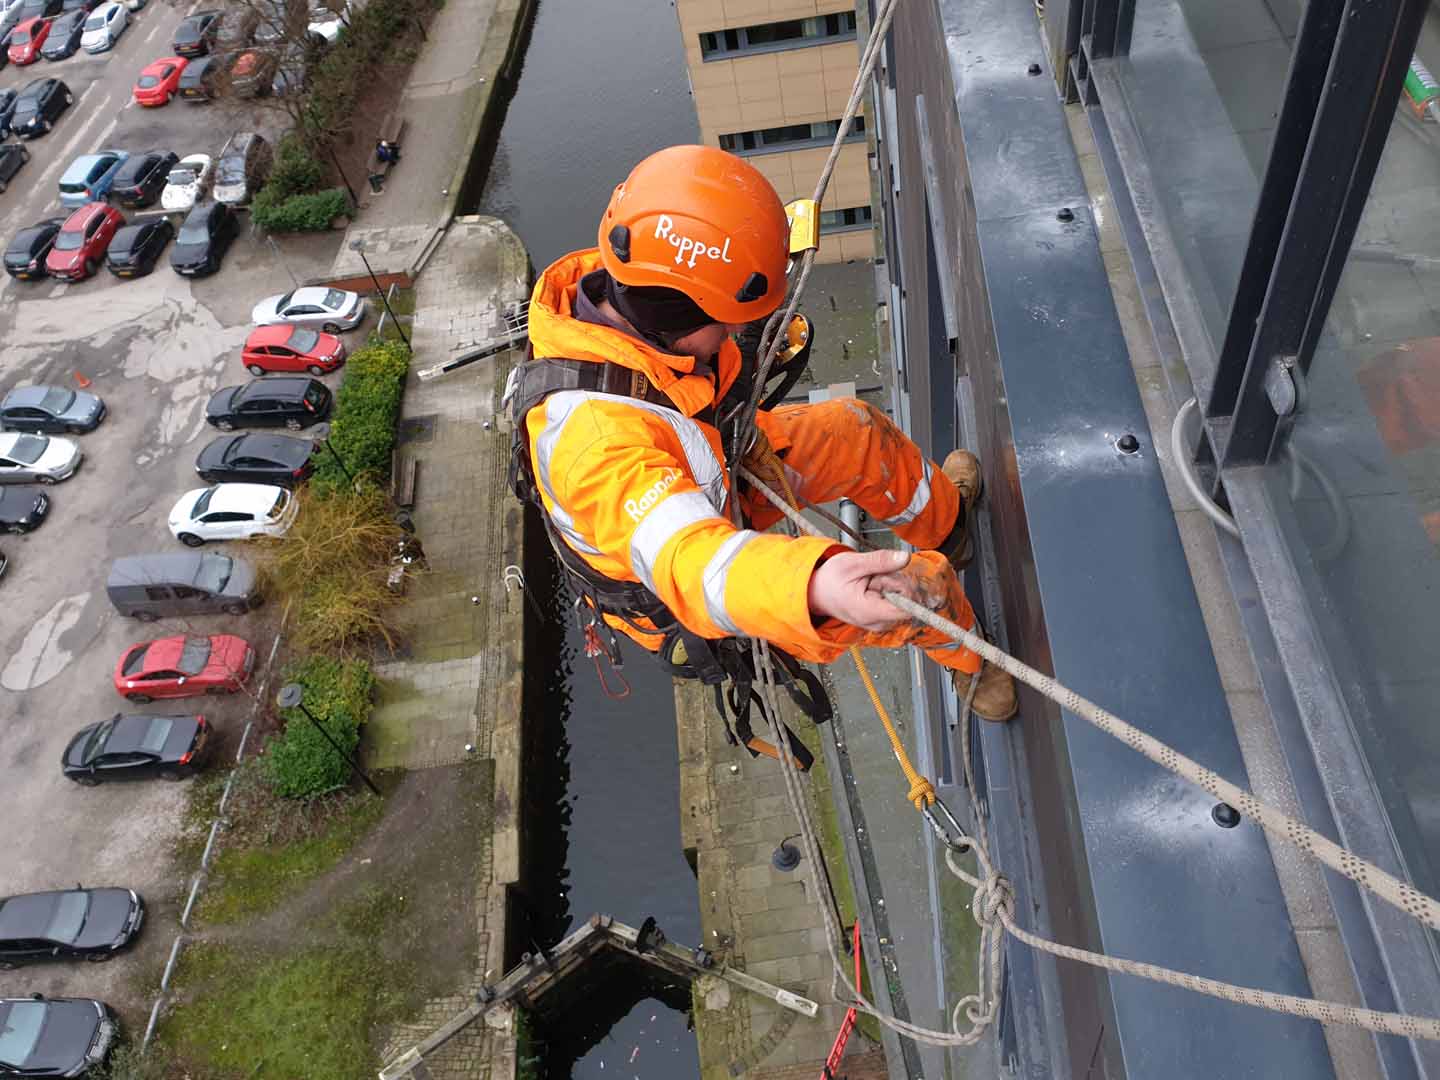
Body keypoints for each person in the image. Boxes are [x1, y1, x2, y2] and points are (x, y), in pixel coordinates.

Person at [507, 145, 1018, 722]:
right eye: (725, 324)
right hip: (700, 575)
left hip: (716, 470)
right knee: (913, 590)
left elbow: (688, 396)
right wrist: (813, 585)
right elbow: (691, 562)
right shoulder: (595, 446)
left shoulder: (628, 306)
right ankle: (972, 663)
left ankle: (949, 523)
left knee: (855, 431)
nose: (733, 335)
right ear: (683, 319)